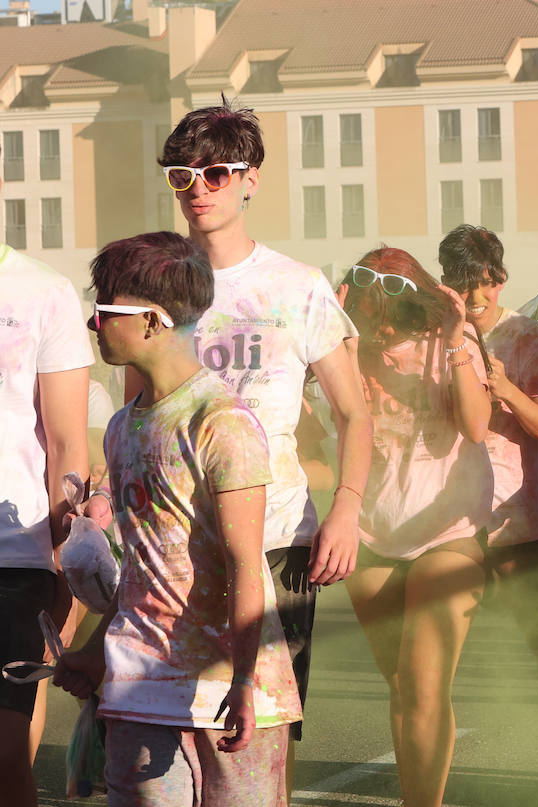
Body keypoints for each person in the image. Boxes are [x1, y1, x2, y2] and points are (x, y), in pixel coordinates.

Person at [143, 102, 372, 774]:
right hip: (176, 541)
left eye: (216, 173)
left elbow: (353, 414)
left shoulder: (296, 287)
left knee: (260, 737)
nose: (199, 191)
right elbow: (140, 413)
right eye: (182, 177)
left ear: (250, 180)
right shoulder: (157, 285)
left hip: (276, 539)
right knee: (173, 734)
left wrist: (348, 508)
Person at [55, 232, 302, 806]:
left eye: (104, 312)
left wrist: (245, 680)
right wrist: (96, 651)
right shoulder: (120, 429)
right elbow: (144, 565)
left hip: (228, 686)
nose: (94, 326)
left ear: (151, 321)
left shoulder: (221, 422)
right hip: (139, 680)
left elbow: (244, 566)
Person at [334, 248, 492, 807]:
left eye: (388, 316)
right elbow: (323, 431)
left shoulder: (450, 343)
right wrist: (335, 341)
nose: (380, 328)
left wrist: (455, 338)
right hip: (372, 535)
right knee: (401, 684)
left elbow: (476, 426)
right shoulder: (349, 350)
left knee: (425, 687)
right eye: (369, 314)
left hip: (447, 533)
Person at [436, 224, 538, 793]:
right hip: (449, 514)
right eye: (459, 285)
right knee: (439, 644)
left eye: (481, 285)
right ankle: (435, 770)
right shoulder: (437, 334)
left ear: (499, 281)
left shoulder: (526, 337)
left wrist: (504, 389)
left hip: (513, 513)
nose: (473, 298)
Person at [0, 159, 99, 807]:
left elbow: (67, 441)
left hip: (15, 555)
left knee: (5, 755)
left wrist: (71, 555)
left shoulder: (43, 291)